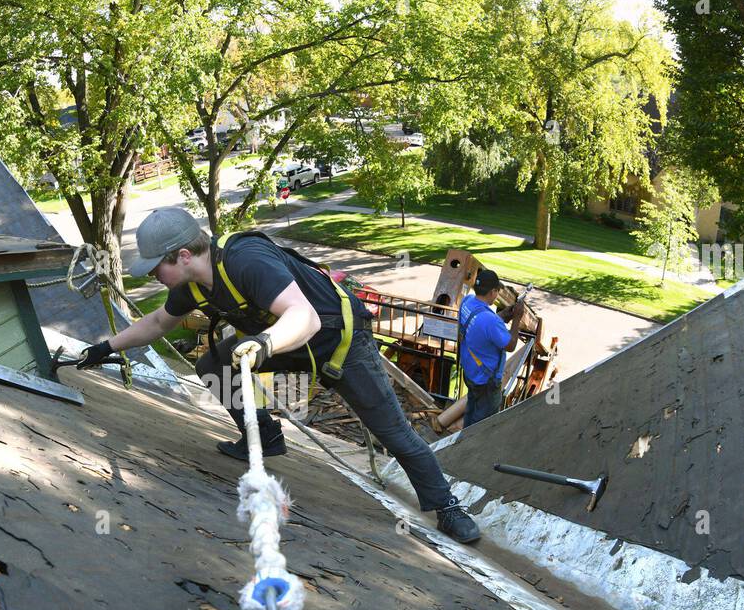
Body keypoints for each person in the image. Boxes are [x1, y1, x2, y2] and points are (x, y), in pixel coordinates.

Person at [77, 206, 482, 543]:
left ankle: (447, 506)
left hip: (338, 344)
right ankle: (266, 437)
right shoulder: (193, 286)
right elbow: (157, 323)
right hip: (285, 343)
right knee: (214, 363)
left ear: (183, 255)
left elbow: (302, 316)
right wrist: (104, 348)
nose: (151, 277)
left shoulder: (246, 261)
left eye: (154, 268)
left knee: (394, 433)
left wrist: (265, 343)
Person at [457, 268, 525, 429]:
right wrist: (516, 319)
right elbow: (511, 345)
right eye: (497, 291)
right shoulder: (490, 321)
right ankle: (472, 449)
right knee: (483, 425)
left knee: (471, 410)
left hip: (471, 371)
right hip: (486, 380)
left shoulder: (467, 302)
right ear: (493, 291)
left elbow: (480, 324)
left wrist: (502, 316)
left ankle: (463, 439)